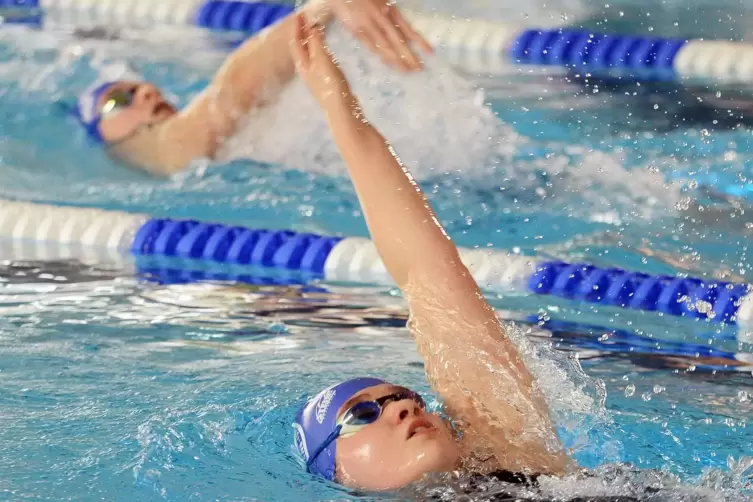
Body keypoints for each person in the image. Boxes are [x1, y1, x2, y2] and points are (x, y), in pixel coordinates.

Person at [289, 13, 573, 491]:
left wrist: (338, 105)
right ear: (337, 472)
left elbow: (426, 272)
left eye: (407, 397)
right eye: (362, 414)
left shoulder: (515, 463)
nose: (405, 407)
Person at [74, 0, 432, 176]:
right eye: (119, 99)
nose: (148, 91)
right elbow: (231, 92)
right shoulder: (165, 150)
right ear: (99, 131)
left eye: (138, 87)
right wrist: (322, 8)